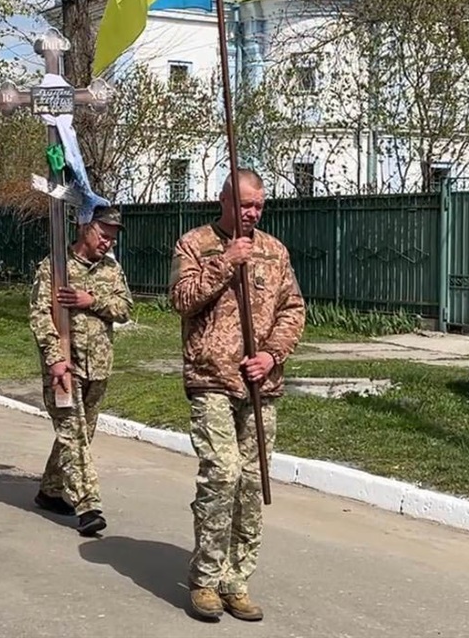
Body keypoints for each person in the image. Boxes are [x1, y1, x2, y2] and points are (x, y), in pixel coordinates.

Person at [169, 169, 305, 623]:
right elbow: (182, 300)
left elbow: (293, 309)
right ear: (224, 200)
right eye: (246, 204)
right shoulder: (195, 244)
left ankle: (236, 580)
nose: (253, 212)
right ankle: (205, 579)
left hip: (260, 384)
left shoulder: (274, 251)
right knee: (222, 473)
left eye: (259, 205)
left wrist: (270, 355)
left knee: (251, 482)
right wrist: (226, 260)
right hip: (210, 377)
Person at [29, 204, 132, 537]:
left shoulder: (111, 270)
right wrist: (54, 357)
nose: (107, 243)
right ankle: (88, 505)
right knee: (73, 434)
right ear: (85, 227)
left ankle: (50, 490)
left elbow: (125, 308)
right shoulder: (56, 267)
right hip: (64, 368)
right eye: (104, 235)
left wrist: (93, 300)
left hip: (98, 367)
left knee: (79, 435)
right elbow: (40, 315)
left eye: (113, 239)